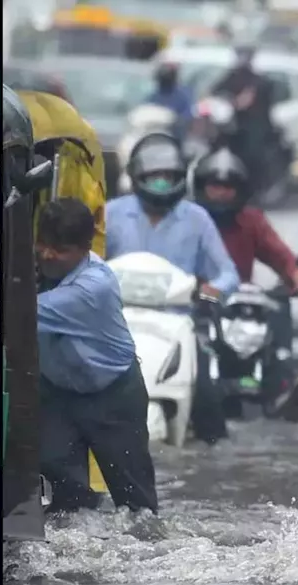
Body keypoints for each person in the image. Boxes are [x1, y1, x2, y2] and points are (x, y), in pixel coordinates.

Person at [105, 132, 240, 444]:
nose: (162, 183)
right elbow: (91, 261)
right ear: (138, 177)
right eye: (154, 176)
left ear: (181, 178)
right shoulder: (112, 213)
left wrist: (213, 291)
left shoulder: (197, 219)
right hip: (116, 320)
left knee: (206, 394)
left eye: (168, 176)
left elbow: (227, 273)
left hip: (178, 322)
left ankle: (212, 448)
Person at [35, 198, 159, 514]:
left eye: (59, 249)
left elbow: (20, 312)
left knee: (135, 503)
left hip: (113, 395)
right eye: (42, 244)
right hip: (59, 393)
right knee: (62, 487)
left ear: (85, 247)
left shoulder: (93, 286)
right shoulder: (37, 267)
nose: (48, 254)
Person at [192, 148, 298, 420]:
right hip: (196, 301)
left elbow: (282, 256)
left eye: (228, 187)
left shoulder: (251, 221)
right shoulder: (189, 220)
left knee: (278, 304)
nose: (221, 193)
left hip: (236, 303)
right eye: (215, 186)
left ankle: (282, 384)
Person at [212, 44, 279, 196]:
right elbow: (216, 92)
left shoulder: (259, 81)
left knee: (253, 161)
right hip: (233, 129)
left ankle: (254, 191)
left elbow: (258, 101)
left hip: (255, 130)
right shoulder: (231, 77)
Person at [145, 61, 195, 140]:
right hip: (151, 138)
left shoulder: (181, 97)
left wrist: (177, 121)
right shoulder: (153, 97)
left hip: (172, 139)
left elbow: (187, 117)